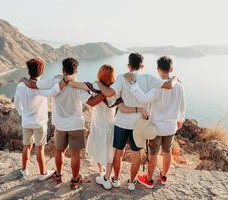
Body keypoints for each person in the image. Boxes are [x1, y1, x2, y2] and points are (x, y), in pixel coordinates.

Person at [96, 53, 177, 191]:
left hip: (121, 123)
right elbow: (169, 86)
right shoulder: (149, 78)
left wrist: (98, 83)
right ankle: (132, 182)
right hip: (138, 126)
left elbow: (109, 93)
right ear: (142, 66)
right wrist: (175, 77)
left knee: (118, 153)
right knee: (136, 155)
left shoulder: (122, 78)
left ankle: (115, 179)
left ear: (128, 65)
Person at [20, 57, 106, 189]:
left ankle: (59, 175)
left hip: (59, 124)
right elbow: (92, 103)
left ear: (63, 70)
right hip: (76, 124)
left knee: (59, 151)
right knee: (75, 154)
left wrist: (23, 79)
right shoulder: (79, 86)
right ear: (75, 71)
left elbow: (33, 85)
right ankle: (75, 179)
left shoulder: (53, 80)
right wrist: (105, 93)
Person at [67, 64, 149, 190]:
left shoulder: (95, 86)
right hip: (111, 125)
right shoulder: (115, 89)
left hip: (98, 124)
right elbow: (121, 107)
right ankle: (107, 176)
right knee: (110, 153)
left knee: (99, 149)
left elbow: (75, 85)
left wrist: (67, 79)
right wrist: (139, 109)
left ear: (100, 74)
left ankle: (103, 175)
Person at [126, 56, 185, 188]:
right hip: (171, 126)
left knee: (153, 153)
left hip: (156, 127)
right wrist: (180, 120)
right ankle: (163, 176)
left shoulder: (156, 87)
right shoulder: (179, 86)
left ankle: (149, 179)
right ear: (171, 69)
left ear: (158, 69)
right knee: (167, 151)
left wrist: (134, 84)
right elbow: (182, 106)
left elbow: (143, 99)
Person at [14, 58, 62, 182]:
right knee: (39, 148)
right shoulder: (40, 87)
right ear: (41, 71)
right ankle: (42, 173)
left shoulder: (20, 85)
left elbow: (17, 103)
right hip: (39, 122)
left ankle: (24, 170)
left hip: (26, 122)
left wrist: (22, 114)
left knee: (26, 146)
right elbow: (53, 91)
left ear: (28, 71)